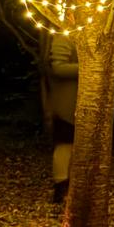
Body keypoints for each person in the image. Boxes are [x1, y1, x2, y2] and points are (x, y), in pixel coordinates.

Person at [40, 19, 79, 205]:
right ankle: (61, 188)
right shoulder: (64, 36)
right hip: (65, 103)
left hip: (78, 103)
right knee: (64, 145)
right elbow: (58, 67)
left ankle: (71, 187)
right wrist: (89, 68)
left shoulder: (80, 36)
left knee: (74, 146)